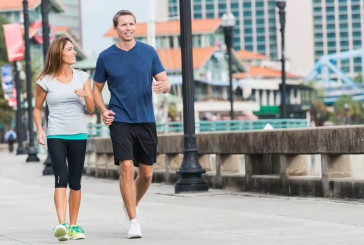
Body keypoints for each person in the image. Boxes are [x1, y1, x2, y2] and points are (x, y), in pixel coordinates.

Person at [92, 10, 170, 239]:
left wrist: (164, 85)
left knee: (146, 175)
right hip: (120, 119)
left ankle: (129, 205)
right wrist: (103, 110)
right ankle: (133, 220)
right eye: (123, 25)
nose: (128, 28)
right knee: (126, 167)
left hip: (146, 118)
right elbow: (95, 89)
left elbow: (165, 80)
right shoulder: (106, 57)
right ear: (115, 28)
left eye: (132, 24)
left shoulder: (148, 52)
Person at [33, 36, 94, 241]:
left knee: (75, 181)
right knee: (61, 178)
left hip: (78, 134)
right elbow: (37, 108)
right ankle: (62, 224)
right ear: (60, 53)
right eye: (70, 49)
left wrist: (84, 95)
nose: (74, 52)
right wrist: (40, 129)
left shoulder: (83, 77)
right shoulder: (45, 81)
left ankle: (74, 226)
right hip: (56, 134)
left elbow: (92, 109)